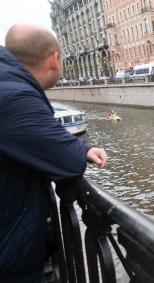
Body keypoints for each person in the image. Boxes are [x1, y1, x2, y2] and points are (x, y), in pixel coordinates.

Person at [0, 24, 108, 283]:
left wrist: (84, 147)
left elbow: (39, 138)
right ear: (54, 60)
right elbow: (65, 160)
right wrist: (79, 151)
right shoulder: (14, 96)